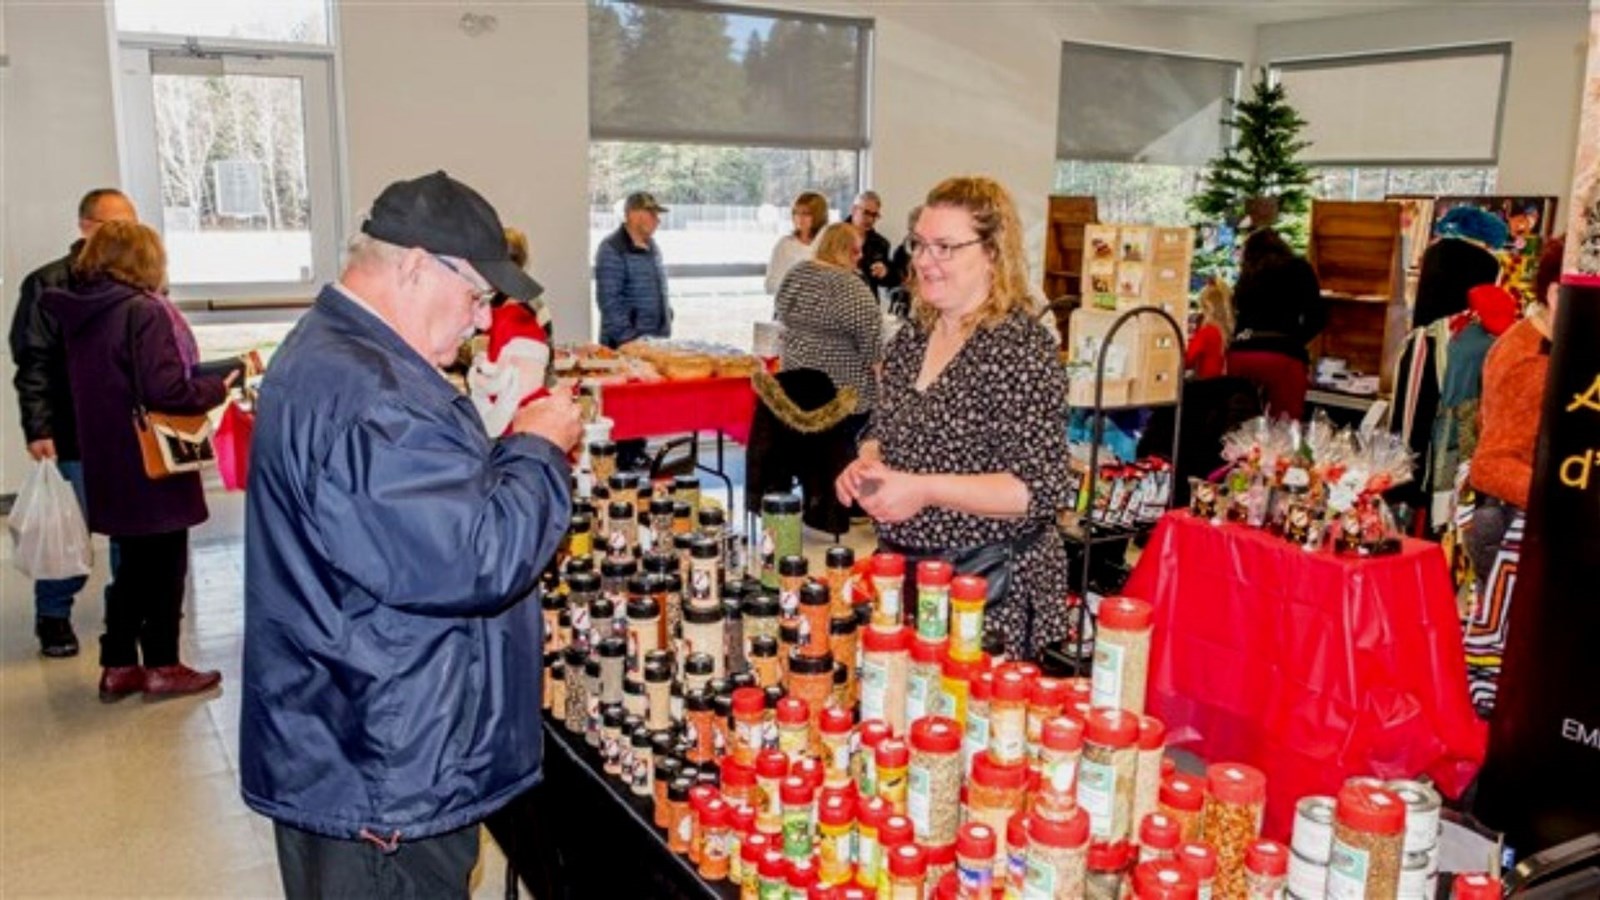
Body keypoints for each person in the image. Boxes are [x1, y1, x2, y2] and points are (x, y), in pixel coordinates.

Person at [238, 171, 582, 898]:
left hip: (348, 731)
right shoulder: (377, 398)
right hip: (385, 761)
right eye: (478, 297)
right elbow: (478, 557)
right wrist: (539, 447)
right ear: (419, 267)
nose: (483, 321)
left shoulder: (336, 351)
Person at [836, 176, 1071, 660]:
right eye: (920, 244)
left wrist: (922, 488)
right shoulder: (913, 337)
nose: (924, 260)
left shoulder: (1019, 348)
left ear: (992, 253)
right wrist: (869, 462)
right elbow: (883, 428)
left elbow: (1039, 489)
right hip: (907, 577)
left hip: (990, 588)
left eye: (945, 247)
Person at [42, 221, 246, 700]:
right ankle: (161, 663)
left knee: (132, 567)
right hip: (151, 461)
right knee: (165, 566)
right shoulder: (145, 311)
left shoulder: (84, 312)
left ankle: (117, 663)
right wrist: (219, 387)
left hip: (108, 456)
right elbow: (167, 390)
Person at [8, 187, 137, 658]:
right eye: (113, 224)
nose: (124, 234)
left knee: (132, 531)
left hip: (127, 433)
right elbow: (33, 361)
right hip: (72, 431)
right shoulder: (47, 283)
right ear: (85, 226)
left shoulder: (137, 281)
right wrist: (38, 428)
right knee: (66, 527)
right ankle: (54, 616)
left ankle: (127, 607)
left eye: (131, 223)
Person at [1462, 237, 1562, 717]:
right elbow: (1492, 463)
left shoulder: (1544, 346)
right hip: (1509, 529)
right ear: (1560, 294)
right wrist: (1567, 497)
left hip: (1509, 526)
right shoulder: (1533, 359)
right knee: (1507, 677)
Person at [1390, 205, 1508, 532]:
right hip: (1469, 469)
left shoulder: (1427, 340)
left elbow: (1408, 430)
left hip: (1434, 473)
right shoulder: (1491, 337)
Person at [774, 221, 883, 421]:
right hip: (842, 399)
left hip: (794, 389)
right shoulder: (850, 287)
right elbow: (873, 351)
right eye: (856, 251)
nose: (860, 257)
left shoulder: (795, 273)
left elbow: (780, 315)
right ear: (842, 250)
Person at [1226, 228, 1325, 419]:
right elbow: (1317, 317)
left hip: (1242, 352)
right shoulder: (1298, 267)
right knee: (1284, 425)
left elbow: (1237, 313)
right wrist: (1295, 340)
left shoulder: (1248, 274)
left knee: (1241, 422)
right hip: (1282, 356)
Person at [595, 190, 671, 349]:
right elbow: (609, 303)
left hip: (655, 343)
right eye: (652, 214)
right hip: (625, 347)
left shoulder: (652, 246)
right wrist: (630, 340)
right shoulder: (612, 248)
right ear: (633, 215)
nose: (657, 221)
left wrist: (667, 315)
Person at [766, 191, 828, 295]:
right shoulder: (785, 244)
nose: (799, 218)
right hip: (790, 306)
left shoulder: (829, 243)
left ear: (818, 216)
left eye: (806, 213)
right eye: (796, 212)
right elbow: (770, 285)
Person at [852, 190, 903, 297]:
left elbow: (891, 281)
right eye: (866, 213)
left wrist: (885, 273)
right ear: (854, 210)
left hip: (868, 302)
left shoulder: (881, 243)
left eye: (874, 215)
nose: (870, 219)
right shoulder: (835, 236)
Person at [1185, 277, 1233, 379]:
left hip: (1207, 387)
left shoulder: (1207, 332)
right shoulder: (1230, 330)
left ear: (1208, 309)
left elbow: (1187, 361)